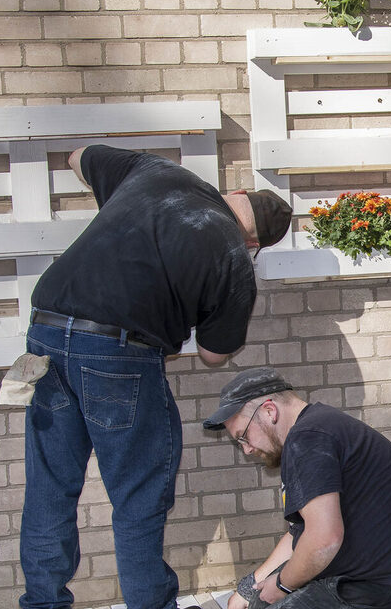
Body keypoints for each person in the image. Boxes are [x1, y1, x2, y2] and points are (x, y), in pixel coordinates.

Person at [19, 145, 292, 609]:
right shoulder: (233, 256)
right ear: (255, 244)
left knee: (50, 489)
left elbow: (78, 157)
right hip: (119, 355)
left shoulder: (156, 171)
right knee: (138, 500)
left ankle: (43, 604)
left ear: (236, 193)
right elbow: (212, 354)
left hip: (45, 333)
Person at [203, 367, 391, 609]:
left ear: (270, 411)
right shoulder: (317, 428)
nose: (247, 449)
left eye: (243, 436)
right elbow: (301, 534)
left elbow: (324, 539)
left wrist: (282, 585)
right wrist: (248, 589)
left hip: (381, 589)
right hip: (379, 579)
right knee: (259, 599)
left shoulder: (306, 439)